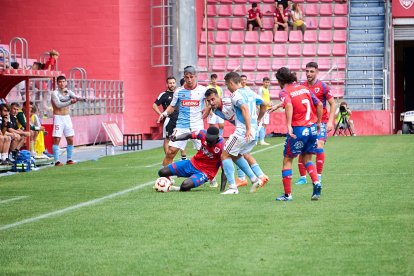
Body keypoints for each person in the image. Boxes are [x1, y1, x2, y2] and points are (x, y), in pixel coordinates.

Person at [206, 73, 267, 194]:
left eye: (227, 85)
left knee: (224, 155)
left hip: (243, 131)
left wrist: (248, 128)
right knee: (236, 154)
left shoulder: (235, 95)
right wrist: (258, 120)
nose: (227, 88)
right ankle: (255, 179)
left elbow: (244, 108)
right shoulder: (250, 92)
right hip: (253, 130)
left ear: (231, 83)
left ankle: (233, 188)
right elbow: (264, 104)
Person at [273, 67, 323, 201]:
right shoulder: (304, 88)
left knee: (288, 159)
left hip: (298, 129)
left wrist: (288, 125)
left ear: (280, 80)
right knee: (307, 159)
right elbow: (319, 105)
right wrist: (318, 122)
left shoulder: (284, 91)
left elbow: (289, 105)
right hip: (312, 128)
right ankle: (316, 183)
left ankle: (288, 195)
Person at [295, 62, 336, 185]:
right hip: (306, 122)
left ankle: (318, 175)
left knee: (319, 145)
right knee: (301, 148)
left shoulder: (323, 86)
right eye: (307, 71)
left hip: (321, 121)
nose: (308, 74)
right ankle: (302, 177)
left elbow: (333, 103)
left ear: (317, 72)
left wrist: (330, 122)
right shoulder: (301, 86)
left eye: (311, 71)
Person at [158, 66, 206, 168]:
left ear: (195, 76)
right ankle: (165, 178)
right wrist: (164, 114)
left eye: (191, 77)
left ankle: (210, 177)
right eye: (186, 77)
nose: (189, 80)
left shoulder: (203, 90)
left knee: (205, 153)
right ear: (184, 77)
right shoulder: (179, 91)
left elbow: (212, 101)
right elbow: (172, 106)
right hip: (181, 126)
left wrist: (208, 111)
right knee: (171, 152)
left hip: (197, 126)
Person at [158, 127, 225, 191]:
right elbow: (188, 135)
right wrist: (176, 138)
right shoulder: (202, 133)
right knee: (162, 172)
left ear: (217, 138)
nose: (208, 143)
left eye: (211, 142)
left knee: (185, 185)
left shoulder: (222, 147)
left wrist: (222, 189)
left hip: (205, 172)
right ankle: (168, 182)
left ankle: (175, 188)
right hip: (192, 163)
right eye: (207, 140)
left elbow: (225, 169)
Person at [51, 75, 86, 166]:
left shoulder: (68, 92)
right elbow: (58, 105)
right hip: (58, 117)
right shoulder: (54, 93)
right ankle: (57, 161)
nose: (62, 83)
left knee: (70, 138)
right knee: (57, 138)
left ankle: (69, 159)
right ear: (57, 83)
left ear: (66, 82)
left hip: (67, 117)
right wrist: (71, 102)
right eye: (60, 82)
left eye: (63, 81)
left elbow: (74, 96)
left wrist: (81, 99)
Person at [152, 76, 187, 160]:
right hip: (170, 120)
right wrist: (161, 114)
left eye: (173, 83)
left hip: (180, 120)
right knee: (168, 139)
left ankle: (184, 157)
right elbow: (154, 105)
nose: (172, 84)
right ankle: (168, 158)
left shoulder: (179, 93)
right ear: (167, 84)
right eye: (170, 83)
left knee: (183, 137)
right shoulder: (164, 95)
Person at [257, 77, 272, 146]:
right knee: (260, 124)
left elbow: (266, 99)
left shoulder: (267, 89)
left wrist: (270, 103)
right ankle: (257, 140)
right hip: (263, 109)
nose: (267, 83)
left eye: (268, 82)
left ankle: (261, 140)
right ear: (263, 82)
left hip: (267, 109)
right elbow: (259, 99)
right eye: (265, 82)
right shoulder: (261, 89)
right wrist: (259, 108)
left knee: (264, 124)